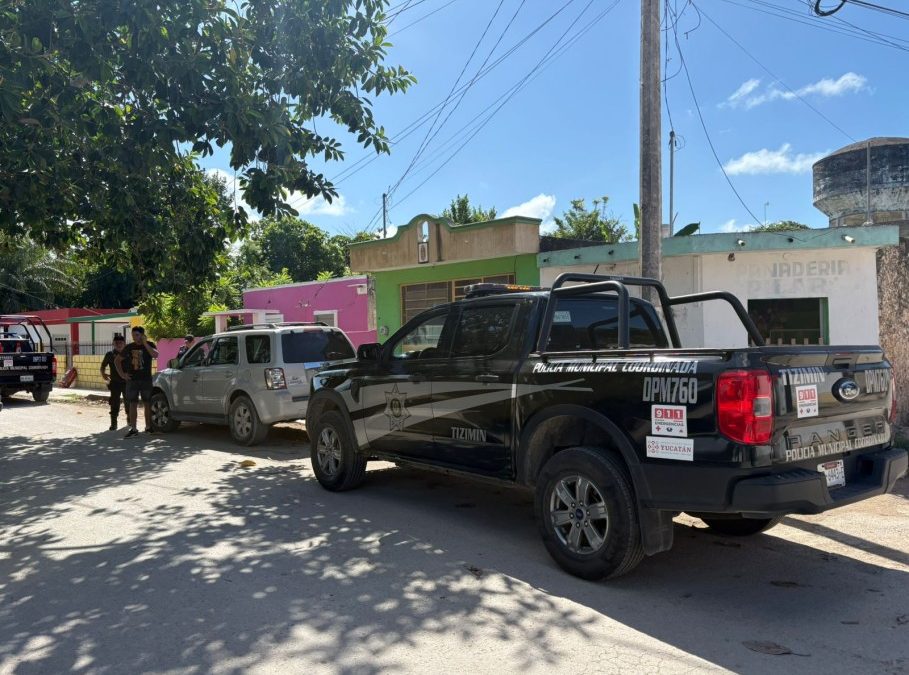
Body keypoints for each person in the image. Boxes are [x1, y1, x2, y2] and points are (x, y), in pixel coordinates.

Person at [116, 326, 158, 438]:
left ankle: (148, 427)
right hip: (132, 380)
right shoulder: (129, 347)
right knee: (132, 404)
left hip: (146, 379)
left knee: (147, 403)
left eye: (137, 335)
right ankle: (133, 429)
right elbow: (117, 361)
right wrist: (122, 374)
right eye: (133, 335)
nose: (134, 337)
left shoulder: (150, 345)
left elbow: (155, 355)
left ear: (143, 335)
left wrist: (145, 343)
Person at [100, 334, 128, 431]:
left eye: (121, 343)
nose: (119, 345)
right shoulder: (110, 354)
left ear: (124, 343)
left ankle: (130, 421)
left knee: (128, 402)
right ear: (113, 344)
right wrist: (103, 374)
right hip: (115, 383)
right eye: (117, 343)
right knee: (114, 403)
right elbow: (103, 366)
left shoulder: (128, 354)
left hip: (127, 383)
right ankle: (114, 423)